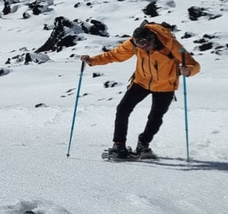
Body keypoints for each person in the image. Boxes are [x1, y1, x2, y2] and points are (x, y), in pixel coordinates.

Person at [80, 22, 200, 159]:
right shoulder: (133, 43)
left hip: (165, 85)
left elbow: (193, 64)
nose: (142, 47)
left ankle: (143, 143)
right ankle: (119, 145)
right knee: (123, 109)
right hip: (141, 81)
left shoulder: (170, 44)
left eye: (145, 44)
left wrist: (188, 70)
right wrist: (92, 60)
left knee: (155, 117)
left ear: (153, 39)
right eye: (138, 44)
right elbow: (115, 55)